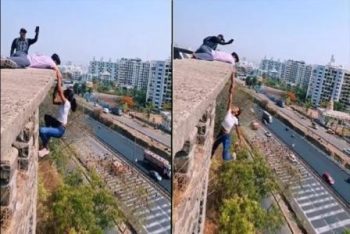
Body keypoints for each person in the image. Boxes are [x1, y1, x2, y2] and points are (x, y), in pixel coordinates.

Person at [38, 73, 77, 158]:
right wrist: (55, 89)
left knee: (41, 130)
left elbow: (60, 92)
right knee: (47, 117)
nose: (62, 95)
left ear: (66, 96)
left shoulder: (67, 103)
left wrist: (59, 80)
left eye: (64, 94)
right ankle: (48, 136)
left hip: (60, 130)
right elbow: (54, 100)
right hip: (56, 124)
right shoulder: (63, 103)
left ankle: (46, 148)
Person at [211, 71, 242, 161]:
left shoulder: (235, 119)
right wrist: (232, 83)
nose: (234, 107)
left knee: (225, 154)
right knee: (214, 146)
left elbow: (238, 130)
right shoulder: (229, 111)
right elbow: (230, 98)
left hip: (227, 136)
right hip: (221, 132)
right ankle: (210, 158)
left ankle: (232, 157)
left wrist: (239, 140)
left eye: (236, 108)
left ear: (237, 113)